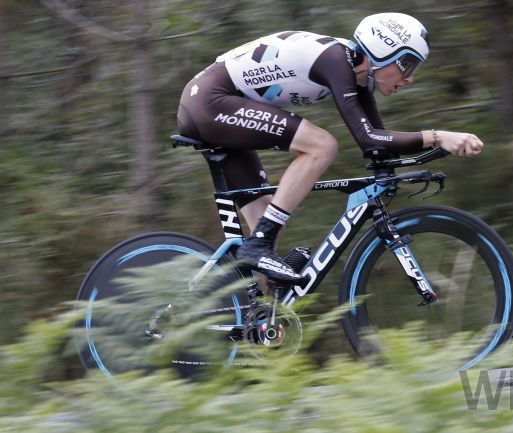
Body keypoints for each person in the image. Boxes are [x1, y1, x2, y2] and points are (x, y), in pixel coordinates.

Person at [177, 12, 484, 282]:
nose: (411, 77)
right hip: (209, 101)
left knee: (268, 230)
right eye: (407, 63)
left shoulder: (358, 74)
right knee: (321, 146)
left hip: (221, 107)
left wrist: (421, 164)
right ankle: (258, 247)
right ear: (382, 52)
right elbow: (367, 139)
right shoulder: (336, 59)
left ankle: (256, 323)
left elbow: (378, 144)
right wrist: (438, 136)